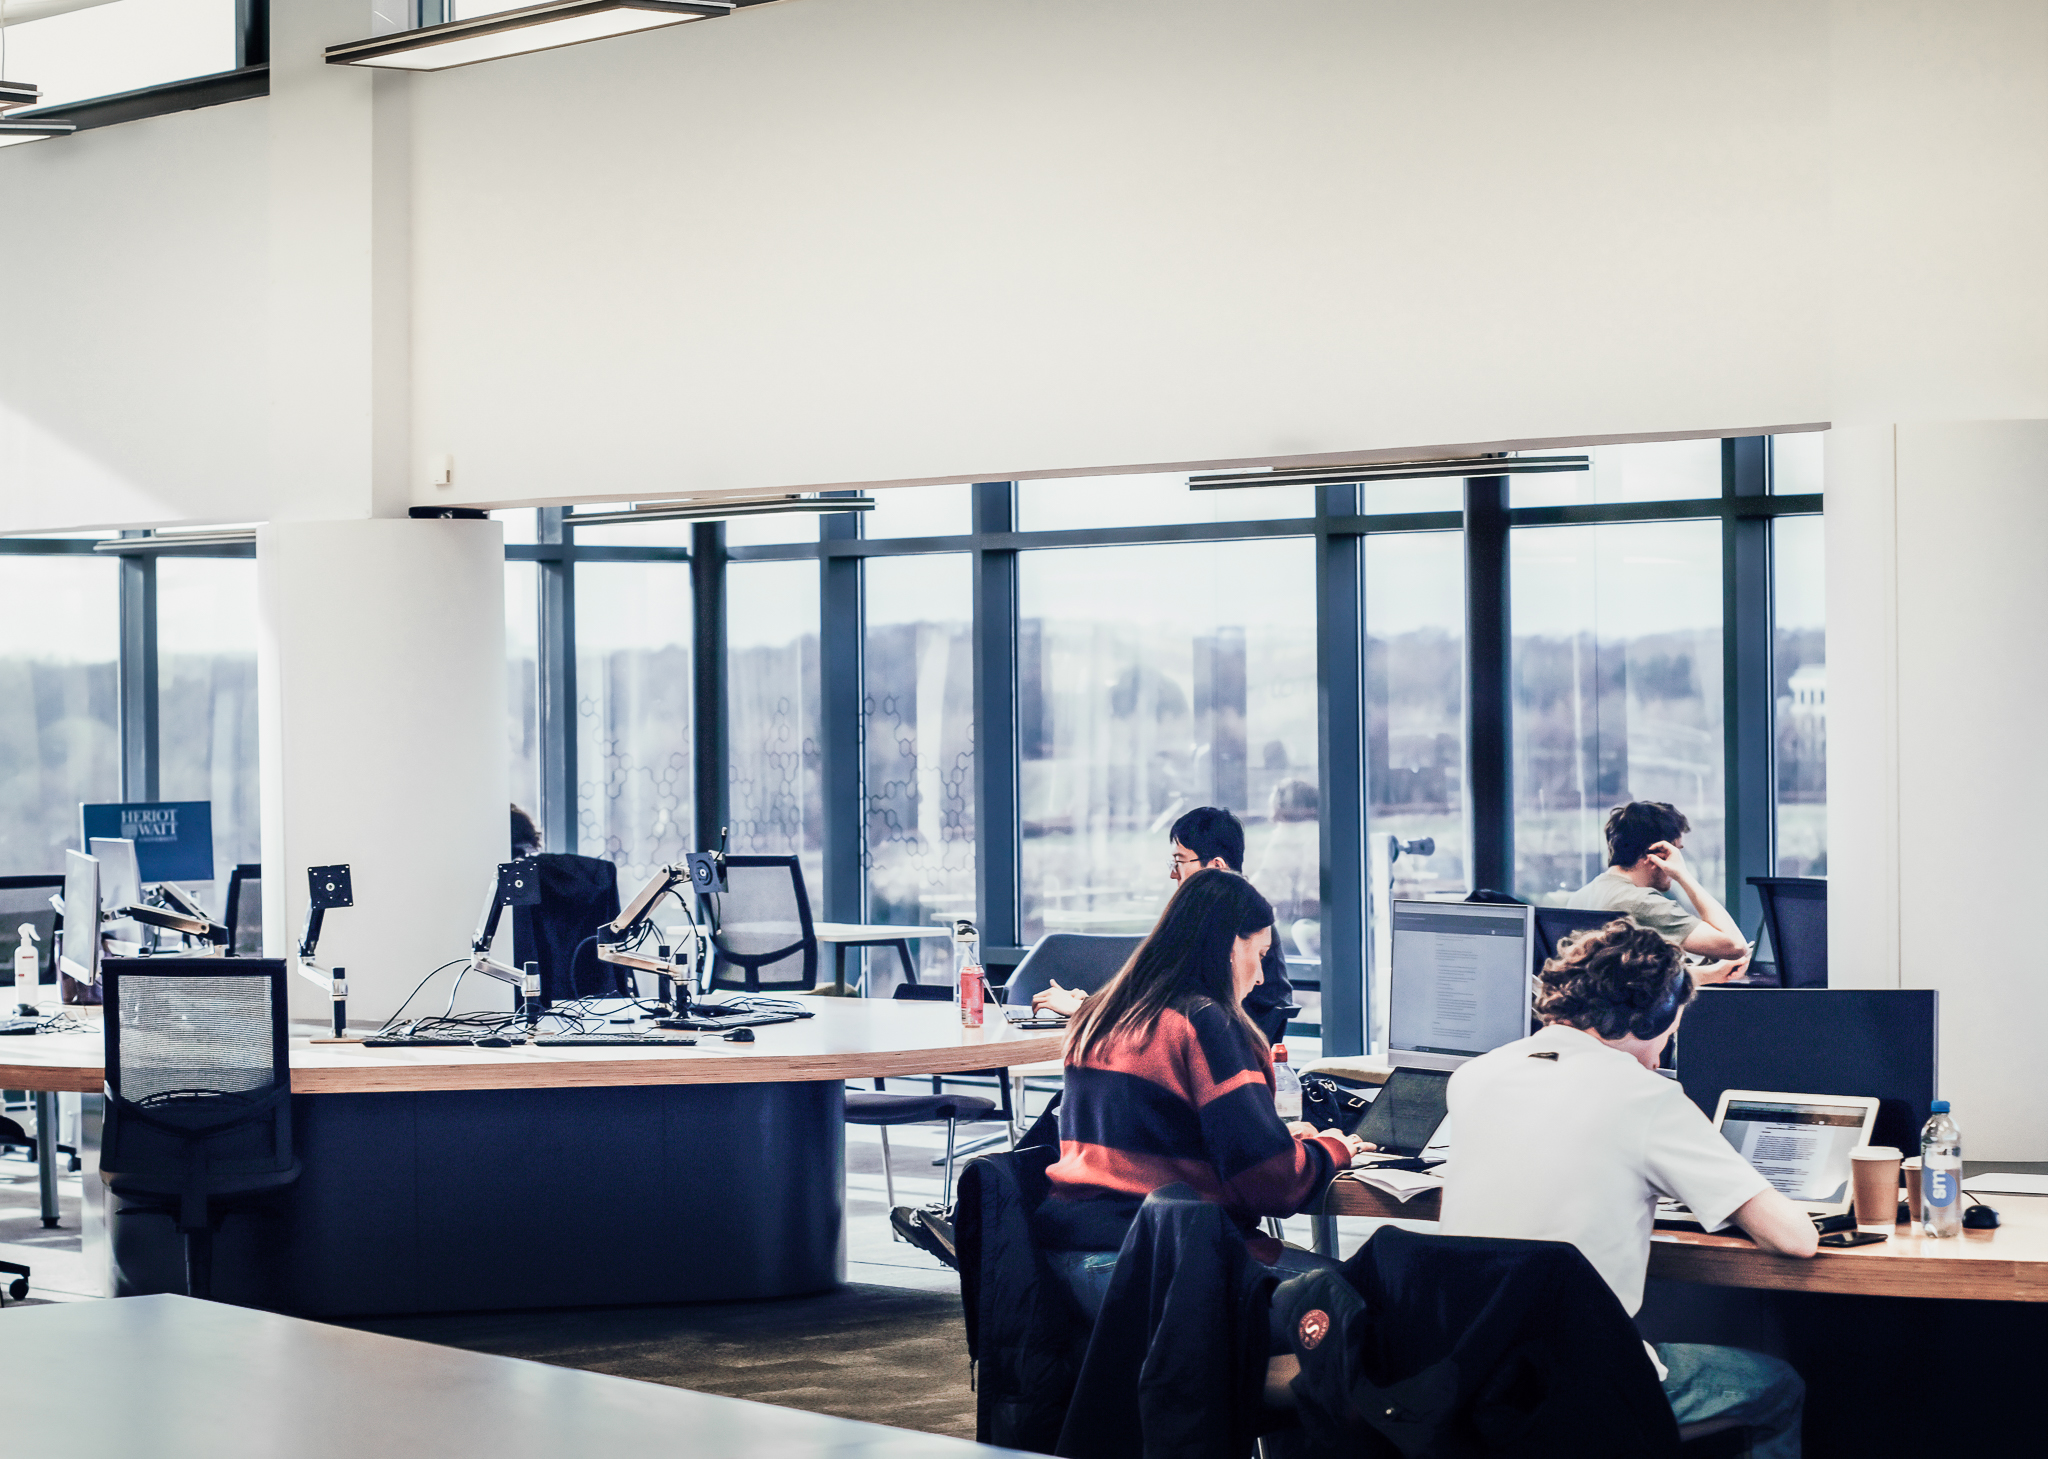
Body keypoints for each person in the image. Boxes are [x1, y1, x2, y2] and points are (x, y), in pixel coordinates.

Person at [1438, 919, 1815, 1457]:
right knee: (1774, 1387)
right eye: (1668, 1033)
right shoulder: (1645, 1095)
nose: (1662, 1054)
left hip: (1469, 1376)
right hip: (1579, 1387)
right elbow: (1793, 1238)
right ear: (1650, 1015)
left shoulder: (1474, 1076)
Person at [1037, 868, 1370, 1317]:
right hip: (1165, 1265)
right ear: (1232, 946)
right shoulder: (1204, 1023)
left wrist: (1282, 1142)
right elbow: (1270, 1182)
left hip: (1071, 1259)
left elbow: (1163, 1140)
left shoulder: (1101, 1013)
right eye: (1262, 954)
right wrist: (1332, 1148)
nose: (1259, 979)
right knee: (1368, 1298)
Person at [1033, 806, 1296, 1039]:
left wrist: (1084, 1010)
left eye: (1179, 862)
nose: (1172, 874)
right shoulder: (1226, 917)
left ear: (1216, 867)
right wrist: (1093, 1004)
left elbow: (1176, 1021)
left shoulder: (1234, 925)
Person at [1567, 800, 1750, 982]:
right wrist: (1683, 875)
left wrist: (1710, 972)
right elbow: (1735, 946)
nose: (1678, 860)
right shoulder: (1640, 902)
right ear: (1659, 855)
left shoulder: (1581, 896)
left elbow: (1623, 977)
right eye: (1676, 852)